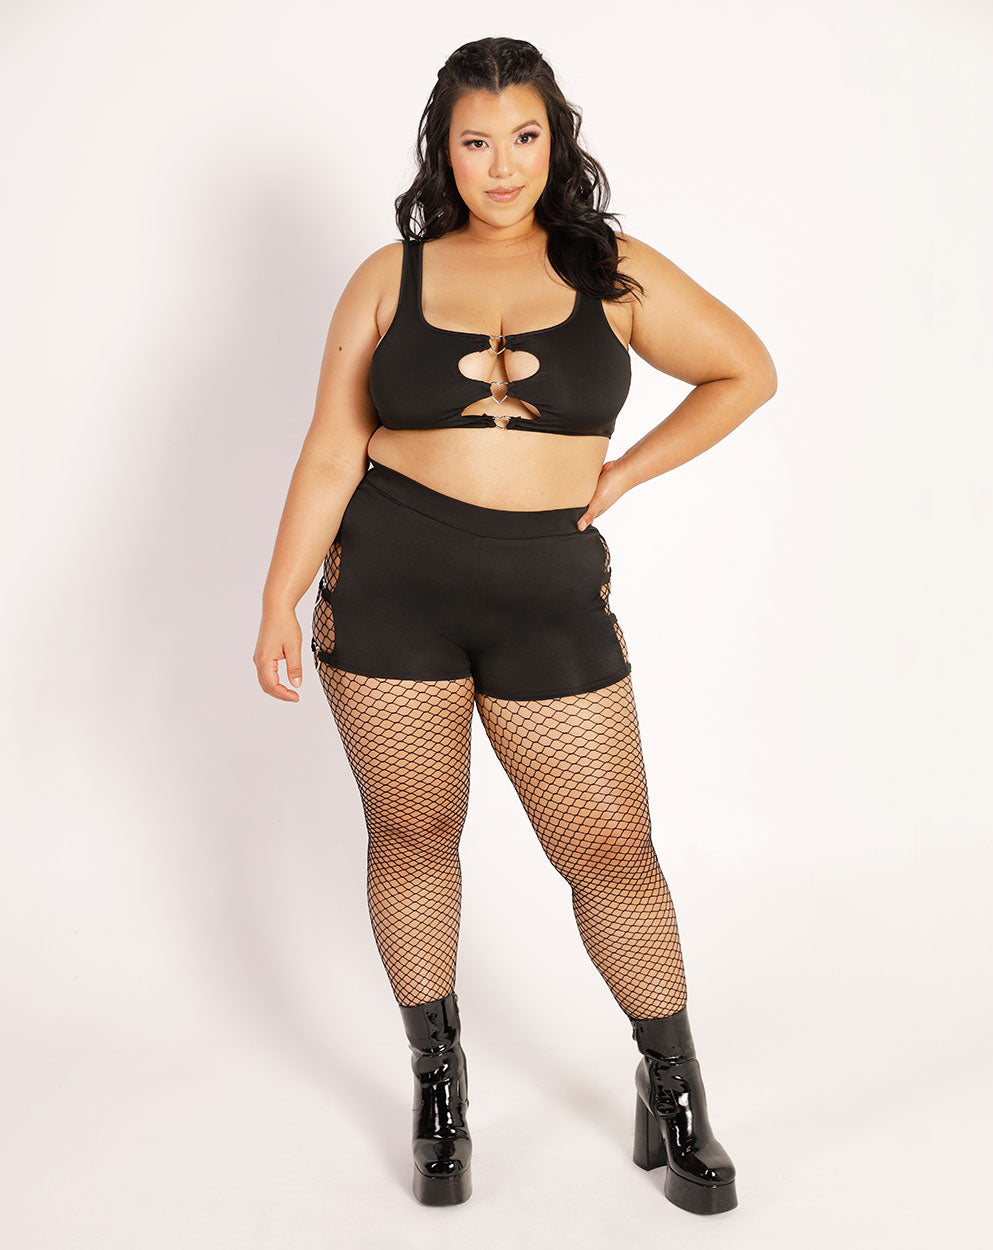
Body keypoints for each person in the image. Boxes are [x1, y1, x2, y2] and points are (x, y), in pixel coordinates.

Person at [253, 36, 776, 1215]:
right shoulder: (387, 275)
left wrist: (623, 473)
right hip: (390, 583)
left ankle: (672, 1088)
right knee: (412, 832)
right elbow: (332, 446)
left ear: (556, 140)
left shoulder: (612, 269)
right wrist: (278, 593)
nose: (501, 165)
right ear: (442, 150)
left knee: (610, 850)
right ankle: (437, 1085)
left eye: (523, 137)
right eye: (476, 141)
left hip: (547, 592)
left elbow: (743, 370)